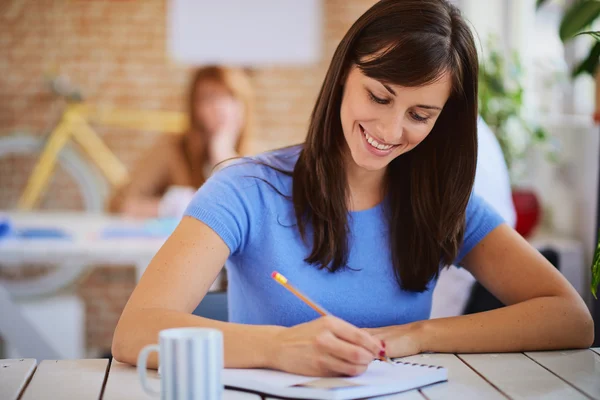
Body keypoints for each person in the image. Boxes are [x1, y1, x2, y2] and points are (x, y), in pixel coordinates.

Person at [112, 0, 593, 378]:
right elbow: (135, 331)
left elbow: (570, 318)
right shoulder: (244, 190)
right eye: (379, 96)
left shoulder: (443, 203)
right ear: (343, 74)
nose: (390, 128)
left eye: (420, 115)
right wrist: (279, 347)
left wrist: (415, 335)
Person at [106, 65, 253, 218]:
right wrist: (166, 208)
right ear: (195, 108)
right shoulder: (173, 148)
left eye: (230, 96)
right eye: (209, 98)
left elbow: (252, 214)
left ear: (244, 104)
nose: (220, 107)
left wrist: (223, 156)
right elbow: (119, 203)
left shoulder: (258, 158)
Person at [430, 116, 516, 318]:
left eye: (419, 116)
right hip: (472, 292)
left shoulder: (451, 138)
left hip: (453, 308)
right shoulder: (478, 130)